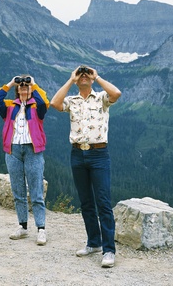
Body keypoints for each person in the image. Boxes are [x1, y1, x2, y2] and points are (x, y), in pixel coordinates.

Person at [50, 65, 122, 268]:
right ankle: (94, 243)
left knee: (103, 202)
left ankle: (109, 250)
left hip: (99, 154)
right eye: (81, 75)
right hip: (77, 153)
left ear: (91, 79)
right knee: (86, 202)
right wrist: (71, 79)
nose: (83, 77)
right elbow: (54, 103)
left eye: (86, 75)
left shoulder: (101, 98)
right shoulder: (72, 101)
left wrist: (97, 76)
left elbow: (116, 93)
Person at [0, 74, 49, 246]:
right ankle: (23, 226)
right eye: (21, 85)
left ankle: (41, 229)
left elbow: (45, 102)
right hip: (13, 150)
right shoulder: (10, 106)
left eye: (26, 85)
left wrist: (34, 84)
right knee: (18, 192)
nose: (23, 87)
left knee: (36, 191)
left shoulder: (37, 107)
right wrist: (10, 83)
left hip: (33, 150)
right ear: (17, 89)